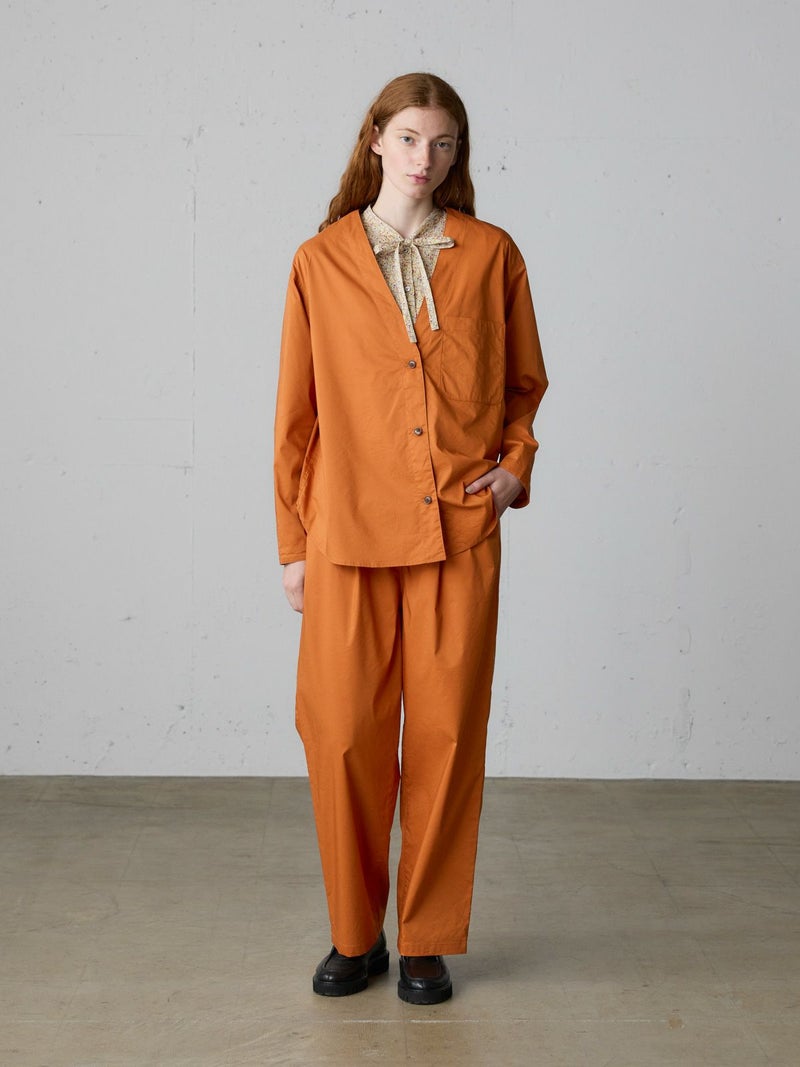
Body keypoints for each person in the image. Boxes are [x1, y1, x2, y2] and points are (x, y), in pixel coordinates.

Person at [273, 72, 547, 1005]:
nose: (424, 159)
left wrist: (516, 467)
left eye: (444, 143)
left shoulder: (492, 254)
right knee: (342, 737)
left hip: (457, 532)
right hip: (345, 534)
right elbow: (296, 416)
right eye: (409, 139)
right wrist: (292, 544)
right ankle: (356, 936)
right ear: (376, 140)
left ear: (456, 154)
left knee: (445, 738)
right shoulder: (319, 262)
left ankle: (426, 938)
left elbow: (523, 385)